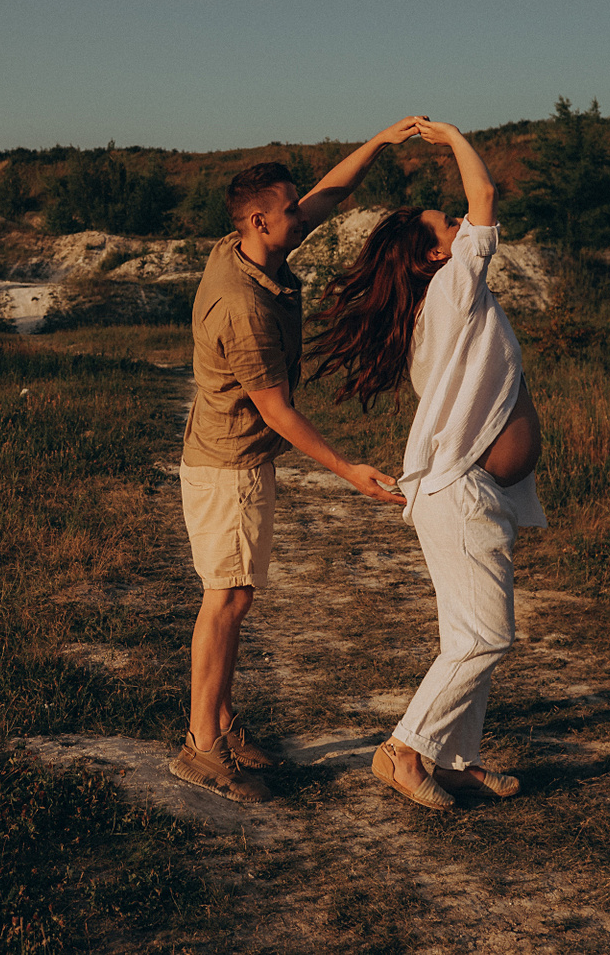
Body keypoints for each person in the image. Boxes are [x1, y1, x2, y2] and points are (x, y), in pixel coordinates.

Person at [170, 120, 421, 804]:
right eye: (289, 209)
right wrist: (348, 470)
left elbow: (327, 197)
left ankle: (221, 724)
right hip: (229, 467)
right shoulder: (244, 305)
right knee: (226, 599)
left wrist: (379, 143)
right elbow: (278, 411)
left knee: (233, 595)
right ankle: (202, 746)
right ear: (259, 220)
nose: (300, 215)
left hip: (231, 459)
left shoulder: (246, 247)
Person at [306, 117, 542, 809]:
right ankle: (404, 748)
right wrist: (455, 138)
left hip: (472, 495)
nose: (461, 224)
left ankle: (455, 758)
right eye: (448, 225)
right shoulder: (452, 288)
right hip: (461, 496)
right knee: (487, 637)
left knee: (468, 635)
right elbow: (487, 197)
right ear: (437, 255)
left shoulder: (445, 304)